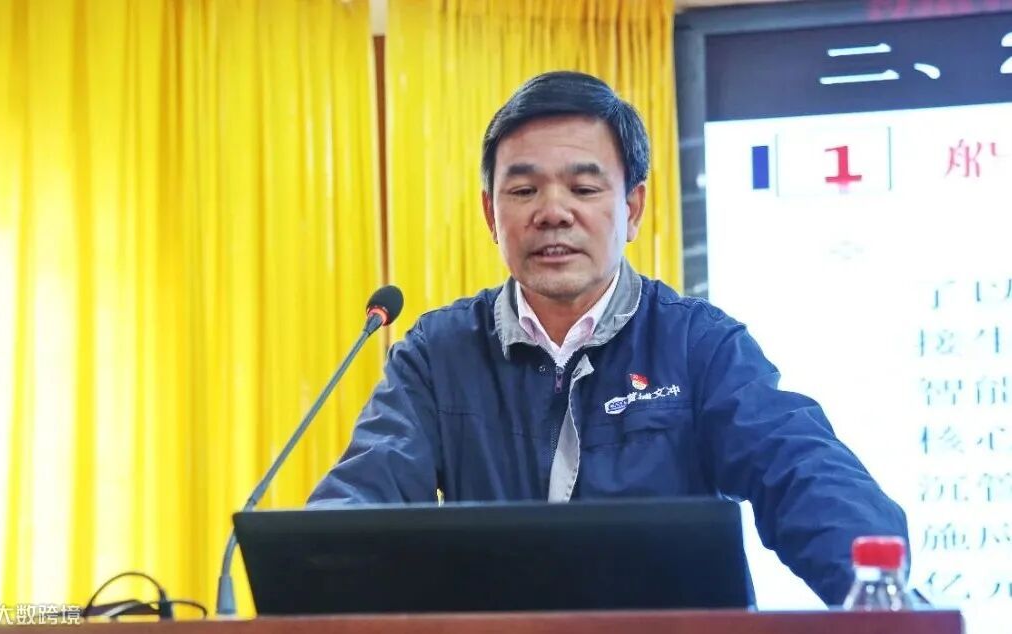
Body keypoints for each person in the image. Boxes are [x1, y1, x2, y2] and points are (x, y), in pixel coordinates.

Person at [307, 71, 908, 605]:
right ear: (491, 214)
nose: (553, 212)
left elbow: (802, 471)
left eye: (584, 188)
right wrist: (316, 572)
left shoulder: (698, 344)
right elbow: (366, 493)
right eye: (524, 190)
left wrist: (880, 592)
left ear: (633, 208)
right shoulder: (440, 352)